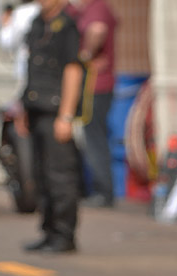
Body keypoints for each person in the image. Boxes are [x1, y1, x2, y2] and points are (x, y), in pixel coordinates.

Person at [20, 0, 83, 253]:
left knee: (60, 176)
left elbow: (73, 70)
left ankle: (64, 235)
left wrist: (66, 116)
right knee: (42, 175)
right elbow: (30, 69)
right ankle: (48, 230)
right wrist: (23, 106)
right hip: (36, 108)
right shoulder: (36, 24)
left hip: (56, 111)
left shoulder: (67, 26)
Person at [71, 0, 118, 207]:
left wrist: (85, 55)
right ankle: (93, 188)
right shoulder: (82, 9)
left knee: (94, 138)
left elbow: (98, 30)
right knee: (89, 137)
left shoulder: (97, 7)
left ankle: (103, 191)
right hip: (90, 85)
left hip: (95, 85)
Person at [0, 0, 40, 92]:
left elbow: (8, 41)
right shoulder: (42, 10)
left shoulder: (20, 13)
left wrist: (6, 24)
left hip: (26, 68)